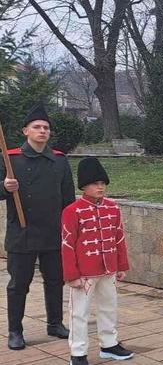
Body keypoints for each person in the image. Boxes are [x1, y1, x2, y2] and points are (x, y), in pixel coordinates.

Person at [1, 104, 73, 350]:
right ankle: (15, 331)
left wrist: (71, 230)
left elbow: (68, 199)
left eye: (46, 128)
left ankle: (55, 324)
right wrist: (5, 187)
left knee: (55, 281)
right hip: (22, 231)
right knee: (18, 284)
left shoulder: (60, 161)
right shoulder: (10, 159)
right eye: (37, 127)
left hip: (53, 231)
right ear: (25, 131)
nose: (42, 131)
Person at [62, 157, 134, 365]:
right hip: (84, 273)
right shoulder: (71, 211)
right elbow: (67, 244)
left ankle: (109, 344)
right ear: (84, 186)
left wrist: (121, 265)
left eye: (102, 183)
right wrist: (71, 275)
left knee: (109, 307)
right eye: (95, 183)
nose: (100, 187)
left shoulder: (113, 208)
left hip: (109, 269)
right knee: (79, 313)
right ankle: (77, 353)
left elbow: (119, 237)